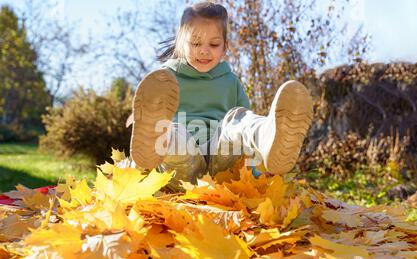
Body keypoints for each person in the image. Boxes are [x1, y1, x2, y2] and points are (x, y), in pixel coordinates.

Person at [126, 1, 314, 191]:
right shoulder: (164, 80)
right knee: (171, 131)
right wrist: (138, 170)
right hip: (181, 168)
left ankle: (267, 135)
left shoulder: (231, 82)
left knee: (236, 118)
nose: (204, 50)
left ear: (225, 46)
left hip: (221, 166)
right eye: (196, 43)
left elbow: (241, 137)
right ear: (181, 43)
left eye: (214, 44)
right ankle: (156, 146)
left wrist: (256, 176)